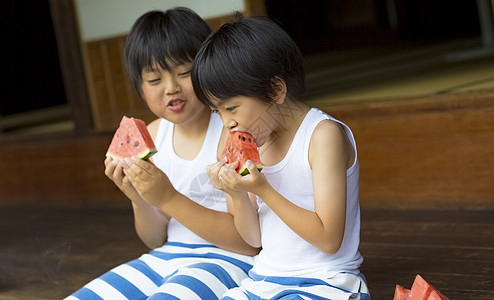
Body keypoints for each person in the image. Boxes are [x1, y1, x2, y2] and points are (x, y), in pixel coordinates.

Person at [66, 8, 258, 300]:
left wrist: (168, 197)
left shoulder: (230, 132)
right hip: (163, 259)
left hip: (227, 260)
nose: (171, 88)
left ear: (207, 67)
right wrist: (138, 198)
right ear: (140, 87)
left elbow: (247, 244)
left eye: (184, 73)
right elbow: (155, 240)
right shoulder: (153, 136)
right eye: (154, 80)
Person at [191, 13, 371, 300]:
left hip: (326, 283)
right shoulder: (254, 142)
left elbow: (329, 239)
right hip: (263, 281)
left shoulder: (323, 136)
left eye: (232, 107)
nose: (226, 123)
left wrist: (263, 189)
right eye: (217, 111)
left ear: (276, 90)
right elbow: (253, 239)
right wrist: (237, 193)